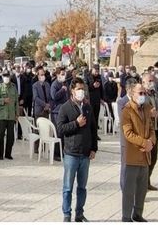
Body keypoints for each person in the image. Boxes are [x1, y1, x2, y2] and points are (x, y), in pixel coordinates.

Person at [57, 81, 98, 222]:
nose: (82, 92)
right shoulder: (65, 108)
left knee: (82, 187)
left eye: (83, 89)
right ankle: (66, 214)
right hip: (71, 154)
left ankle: (79, 213)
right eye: (79, 89)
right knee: (68, 187)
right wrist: (76, 123)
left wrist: (94, 148)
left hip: (85, 154)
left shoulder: (87, 107)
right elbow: (60, 129)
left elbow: (93, 128)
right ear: (72, 91)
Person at [121, 83, 156, 222]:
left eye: (144, 93)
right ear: (133, 93)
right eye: (140, 93)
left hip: (145, 154)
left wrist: (151, 142)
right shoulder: (127, 110)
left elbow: (152, 128)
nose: (143, 96)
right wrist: (144, 143)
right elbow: (128, 133)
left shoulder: (147, 108)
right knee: (129, 190)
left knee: (142, 189)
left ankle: (138, 213)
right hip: (133, 155)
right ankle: (126, 216)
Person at [142, 73, 158, 191]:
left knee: (153, 159)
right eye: (149, 80)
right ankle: (143, 184)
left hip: (155, 130)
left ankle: (147, 181)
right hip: (146, 131)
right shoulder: (141, 95)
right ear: (143, 82)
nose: (151, 82)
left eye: (152, 80)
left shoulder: (154, 94)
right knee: (146, 159)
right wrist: (149, 114)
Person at [0, 71, 19, 160]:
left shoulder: (13, 87)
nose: (6, 78)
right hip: (2, 115)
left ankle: (8, 154)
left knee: (11, 136)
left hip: (11, 115)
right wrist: (3, 100)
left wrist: (17, 114)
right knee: (1, 135)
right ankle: (0, 154)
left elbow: (16, 101)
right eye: (4, 76)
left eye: (7, 76)